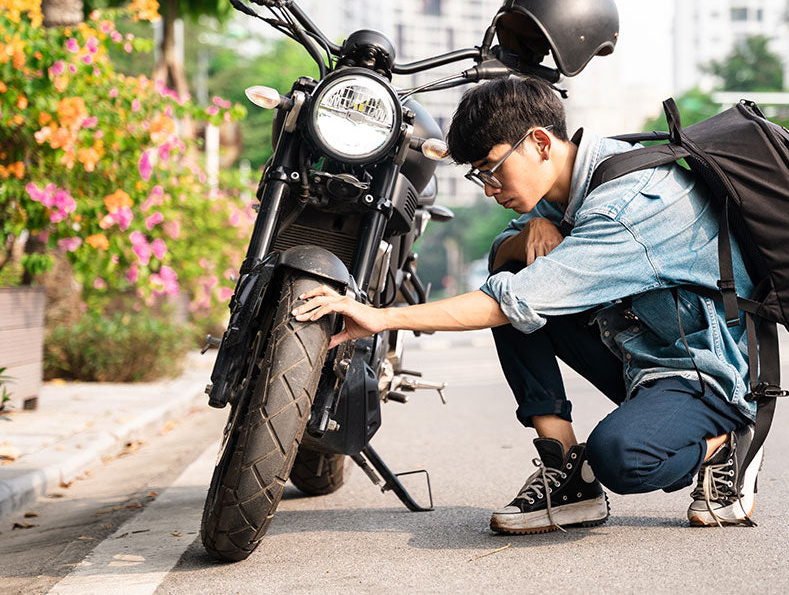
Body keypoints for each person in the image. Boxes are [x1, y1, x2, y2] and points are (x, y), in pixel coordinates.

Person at [292, 75, 763, 534]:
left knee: (621, 458)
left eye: (493, 170)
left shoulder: (626, 206)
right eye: (479, 177)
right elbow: (503, 260)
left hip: (705, 370)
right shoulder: (573, 181)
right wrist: (527, 233)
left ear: (539, 142)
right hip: (642, 354)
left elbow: (508, 302)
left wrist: (380, 317)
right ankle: (567, 473)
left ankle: (727, 443)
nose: (489, 189)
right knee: (511, 275)